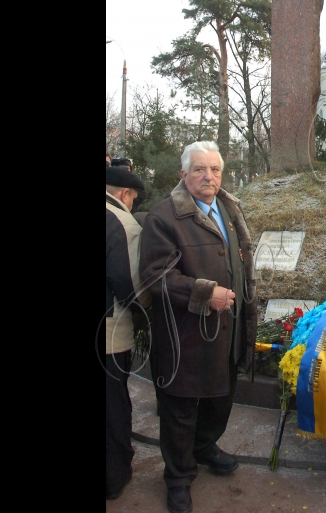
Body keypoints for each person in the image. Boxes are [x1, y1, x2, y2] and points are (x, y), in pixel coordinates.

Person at [139, 141, 257, 513]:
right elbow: (153, 277)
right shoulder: (164, 217)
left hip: (228, 329)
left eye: (215, 170)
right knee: (180, 409)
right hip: (185, 336)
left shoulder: (229, 208)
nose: (209, 177)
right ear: (183, 174)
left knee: (221, 399)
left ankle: (205, 448)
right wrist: (206, 293)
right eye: (199, 170)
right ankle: (178, 477)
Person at [105, 166, 151, 500]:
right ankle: (113, 475)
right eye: (133, 198)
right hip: (107, 334)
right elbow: (131, 286)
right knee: (112, 404)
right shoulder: (122, 223)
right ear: (124, 194)